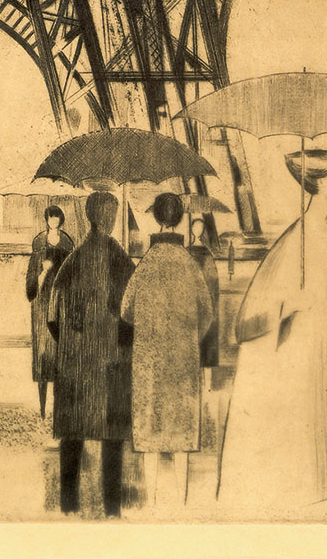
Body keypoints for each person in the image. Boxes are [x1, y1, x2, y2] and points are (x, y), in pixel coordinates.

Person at [217, 149, 327, 510]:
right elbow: (247, 320)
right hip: (296, 364)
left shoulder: (323, 234)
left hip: (316, 361)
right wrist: (292, 303)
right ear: (319, 183)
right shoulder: (297, 238)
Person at [121, 193, 213, 508]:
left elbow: (125, 311)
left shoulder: (145, 265)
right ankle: (182, 503)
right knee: (183, 437)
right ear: (178, 221)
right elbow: (208, 315)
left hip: (148, 360)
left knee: (148, 436)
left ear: (158, 219)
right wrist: (188, 338)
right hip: (184, 360)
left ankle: (153, 503)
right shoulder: (190, 263)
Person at [48, 191, 135, 518]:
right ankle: (112, 509)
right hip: (112, 363)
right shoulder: (122, 261)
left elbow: (52, 317)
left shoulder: (73, 259)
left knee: (72, 434)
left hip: (76, 365)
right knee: (113, 436)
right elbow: (132, 317)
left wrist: (72, 346)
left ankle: (68, 506)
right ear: (109, 218)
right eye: (112, 214)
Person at [25, 205, 75, 418]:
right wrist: (43, 272)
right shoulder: (37, 250)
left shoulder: (67, 247)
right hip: (42, 308)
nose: (53, 221)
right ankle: (43, 409)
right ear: (46, 220)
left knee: (62, 357)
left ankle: (61, 409)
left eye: (56, 218)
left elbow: (73, 279)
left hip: (62, 307)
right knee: (44, 357)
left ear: (60, 220)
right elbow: (30, 290)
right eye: (50, 218)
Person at [188, 213, 223, 388]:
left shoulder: (194, 254)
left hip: (198, 306)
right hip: (202, 306)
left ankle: (205, 385)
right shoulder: (205, 255)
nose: (197, 231)